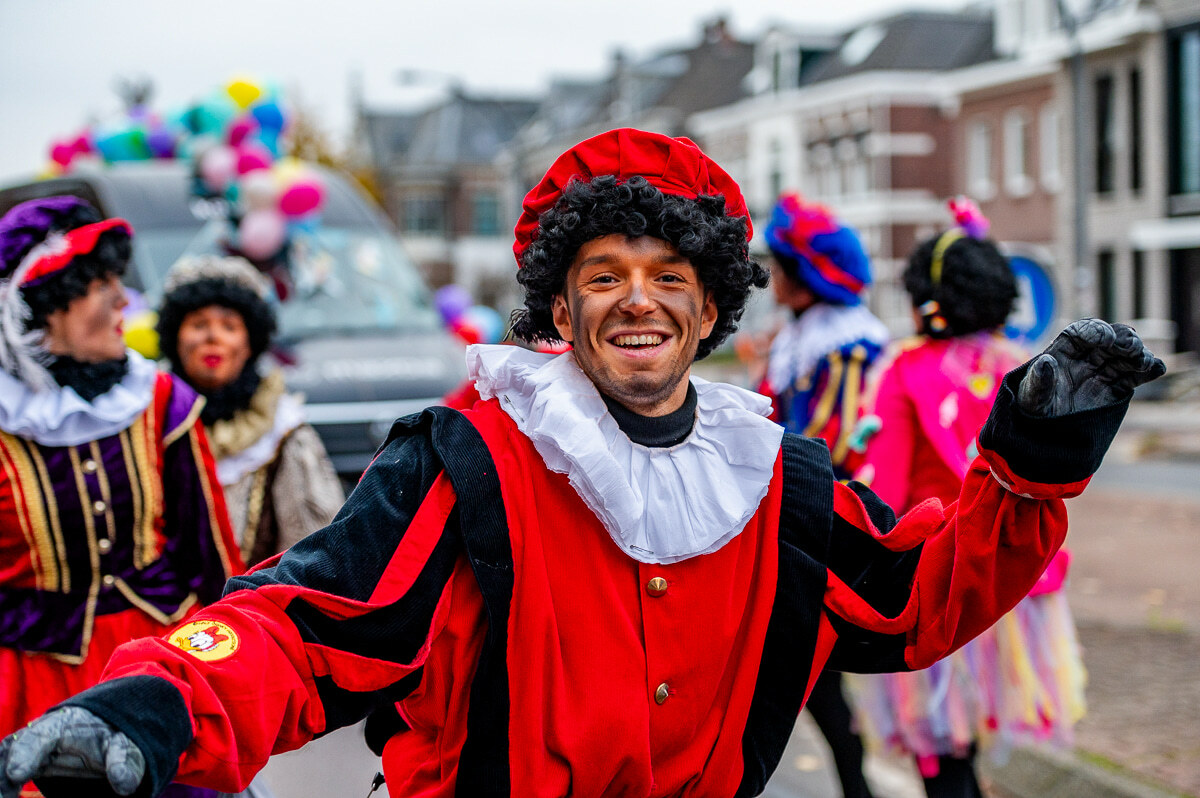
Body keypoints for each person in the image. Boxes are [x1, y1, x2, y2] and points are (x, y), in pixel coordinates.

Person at [0, 129, 1163, 798]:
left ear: (710, 310)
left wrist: (1031, 457)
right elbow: (306, 622)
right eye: (604, 275)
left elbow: (917, 599)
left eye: (670, 277)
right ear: (560, 308)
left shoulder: (777, 478)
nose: (637, 300)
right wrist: (159, 701)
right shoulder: (469, 455)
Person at [0, 197, 244, 797]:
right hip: (31, 678)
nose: (121, 301)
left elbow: (211, 558)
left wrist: (230, 675)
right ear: (45, 306)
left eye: (118, 282)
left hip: (156, 665)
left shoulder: (159, 400)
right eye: (99, 286)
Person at [848, 199, 1087, 798]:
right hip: (1015, 583)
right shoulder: (1022, 369)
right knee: (968, 744)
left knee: (944, 753)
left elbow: (884, 495)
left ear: (928, 299)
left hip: (942, 581)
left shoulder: (902, 370)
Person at [759, 194, 890, 798]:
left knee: (811, 672)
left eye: (780, 267)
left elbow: (826, 446)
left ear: (806, 277)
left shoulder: (845, 346)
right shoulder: (800, 337)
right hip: (785, 513)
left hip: (815, 521)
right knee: (807, 679)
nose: (771, 276)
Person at [154, 255, 343, 567]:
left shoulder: (284, 430)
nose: (212, 337)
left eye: (229, 326)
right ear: (175, 337)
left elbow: (312, 551)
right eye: (198, 325)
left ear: (249, 342)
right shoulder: (147, 419)